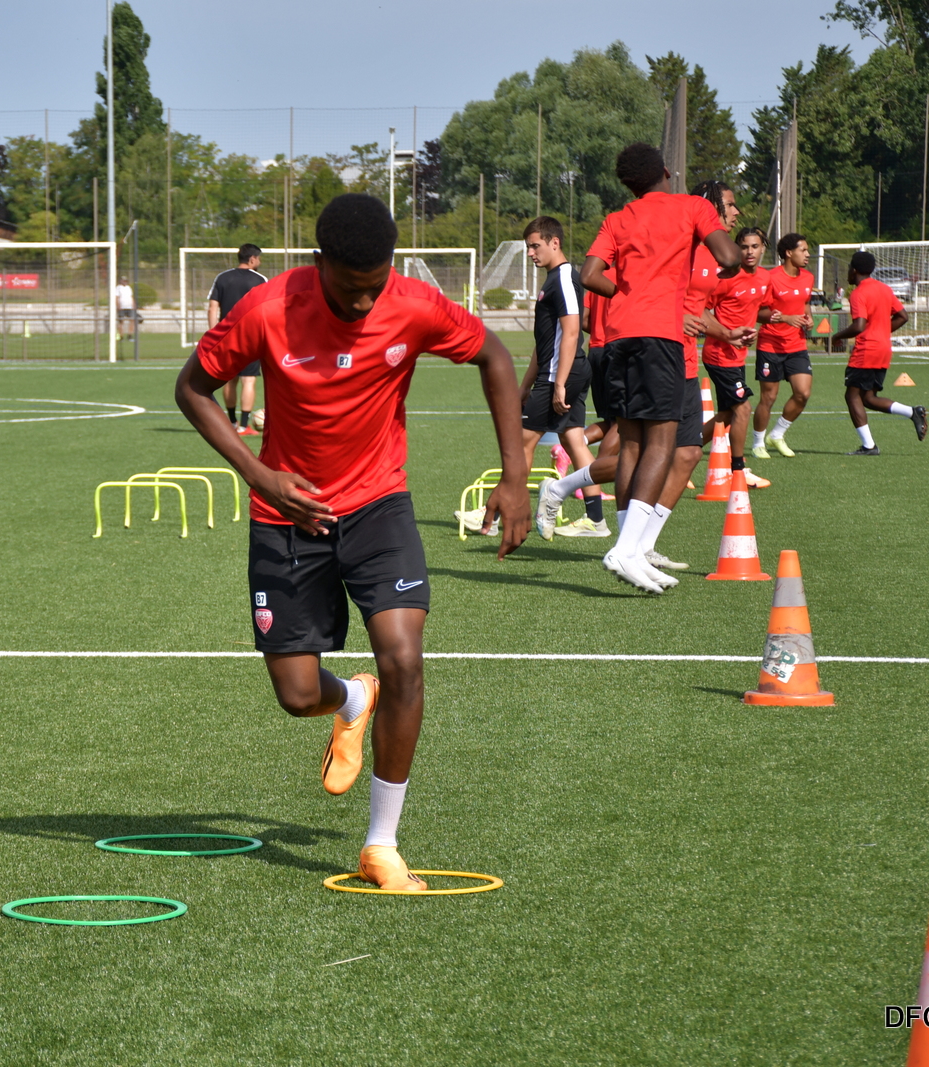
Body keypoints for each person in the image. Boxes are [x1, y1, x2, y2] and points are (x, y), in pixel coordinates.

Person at [174, 193, 530, 891]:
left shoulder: (413, 304)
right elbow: (192, 389)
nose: (365, 302)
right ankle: (350, 702)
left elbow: (493, 354)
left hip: (378, 506)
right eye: (350, 287)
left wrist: (514, 476)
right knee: (295, 694)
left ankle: (381, 842)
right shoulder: (267, 308)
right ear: (319, 263)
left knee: (404, 657)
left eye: (376, 285)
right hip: (287, 515)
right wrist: (260, 475)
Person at [580, 144, 739, 593]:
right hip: (661, 337)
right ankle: (626, 550)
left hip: (619, 337)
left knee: (631, 441)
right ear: (666, 172)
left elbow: (589, 275)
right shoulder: (691, 207)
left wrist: (626, 294)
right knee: (663, 443)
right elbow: (729, 258)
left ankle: (631, 550)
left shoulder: (617, 218)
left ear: (628, 183)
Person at [520, 217, 607, 537]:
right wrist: (525, 385)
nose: (530, 252)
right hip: (558, 372)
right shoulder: (552, 280)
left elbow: (572, 333)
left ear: (554, 242)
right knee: (574, 440)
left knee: (522, 441)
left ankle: (502, 513)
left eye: (535, 246)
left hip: (560, 374)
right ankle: (596, 520)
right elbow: (544, 343)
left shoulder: (565, 278)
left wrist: (558, 383)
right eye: (528, 247)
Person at [831, 250, 924, 454]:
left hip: (866, 350)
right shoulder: (884, 289)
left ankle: (869, 446)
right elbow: (903, 316)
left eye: (849, 268)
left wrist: (837, 336)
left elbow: (859, 325)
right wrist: (881, 331)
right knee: (868, 398)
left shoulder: (858, 293)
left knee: (852, 396)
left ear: (854, 270)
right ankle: (912, 412)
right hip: (883, 350)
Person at [701, 227, 770, 489]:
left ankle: (682, 451)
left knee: (727, 414)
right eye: (744, 246)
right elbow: (701, 309)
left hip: (738, 357)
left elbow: (758, 309)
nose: (749, 252)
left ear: (763, 248)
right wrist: (726, 333)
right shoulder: (725, 278)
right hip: (719, 354)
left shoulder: (764, 278)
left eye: (754, 246)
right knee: (743, 409)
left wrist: (776, 319)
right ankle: (738, 470)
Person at [751, 233, 815, 458]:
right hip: (771, 345)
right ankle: (758, 442)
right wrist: (785, 318)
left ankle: (777, 434)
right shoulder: (770, 278)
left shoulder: (808, 278)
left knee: (803, 393)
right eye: (803, 250)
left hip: (796, 345)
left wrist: (808, 318)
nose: (807, 254)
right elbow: (758, 313)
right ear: (789, 253)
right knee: (768, 398)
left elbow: (805, 303)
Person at [207, 244, 269, 435]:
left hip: (226, 337)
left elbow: (212, 308)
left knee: (230, 380)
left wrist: (214, 334)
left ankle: (232, 423)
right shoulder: (260, 280)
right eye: (258, 259)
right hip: (251, 337)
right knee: (248, 380)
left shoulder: (222, 277)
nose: (259, 262)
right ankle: (243, 426)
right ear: (252, 259)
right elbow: (267, 309)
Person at [114, 276, 136, 341]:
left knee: (132, 320)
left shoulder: (128, 288)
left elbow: (131, 296)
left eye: (126, 280)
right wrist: (118, 305)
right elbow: (116, 297)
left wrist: (133, 304)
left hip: (129, 307)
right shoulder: (118, 288)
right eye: (123, 280)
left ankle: (130, 335)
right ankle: (121, 336)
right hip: (122, 307)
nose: (125, 282)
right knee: (121, 321)